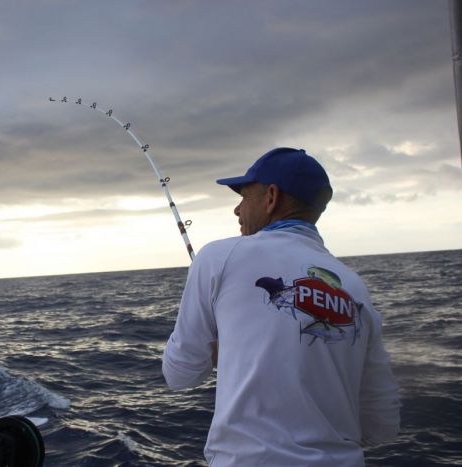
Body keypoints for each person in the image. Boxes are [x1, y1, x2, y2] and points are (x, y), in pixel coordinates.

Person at [162, 147, 400, 466]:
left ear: (271, 197)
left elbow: (179, 375)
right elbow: (381, 425)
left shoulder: (219, 257)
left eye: (244, 196)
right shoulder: (353, 285)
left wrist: (213, 351)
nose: (237, 209)